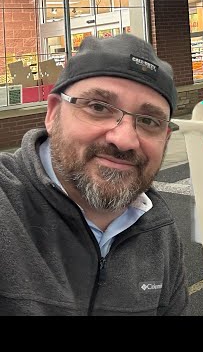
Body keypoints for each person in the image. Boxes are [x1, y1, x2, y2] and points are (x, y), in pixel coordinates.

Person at [0, 33, 189, 315]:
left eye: (149, 121)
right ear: (53, 114)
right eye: (98, 107)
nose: (124, 139)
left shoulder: (158, 231)